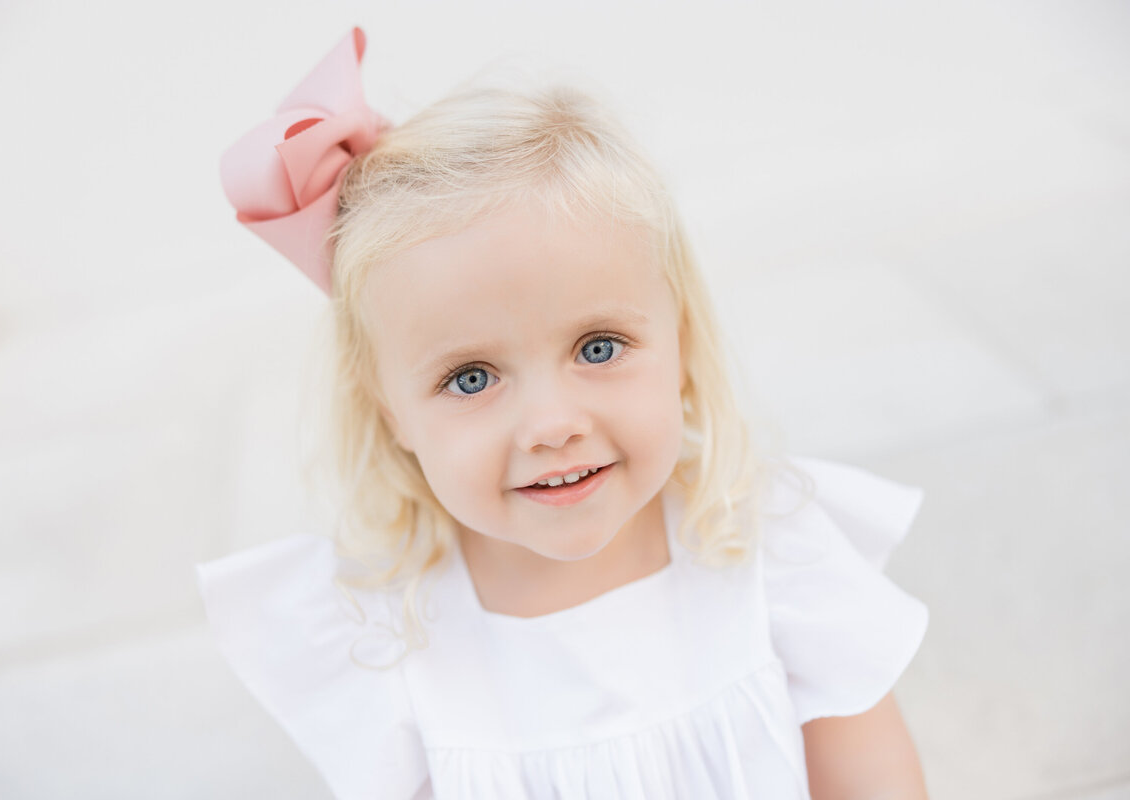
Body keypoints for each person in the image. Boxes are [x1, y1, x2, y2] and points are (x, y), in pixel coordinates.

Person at [201, 27, 931, 799]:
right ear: (390, 413)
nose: (553, 424)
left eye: (598, 347)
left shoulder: (770, 549)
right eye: (473, 377)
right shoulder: (390, 637)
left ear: (680, 341)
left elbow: (874, 778)